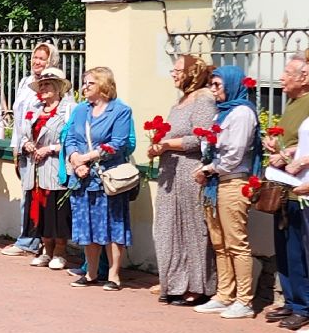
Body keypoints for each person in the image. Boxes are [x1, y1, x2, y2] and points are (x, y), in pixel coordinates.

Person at [145, 55, 217, 307]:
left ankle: (198, 286)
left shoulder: (204, 99)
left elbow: (203, 138)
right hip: (169, 173)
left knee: (193, 230)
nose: (173, 74)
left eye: (177, 70)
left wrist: (167, 144)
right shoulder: (180, 102)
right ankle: (173, 282)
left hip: (189, 171)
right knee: (166, 228)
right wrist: (157, 146)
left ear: (191, 73)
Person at [192, 65, 262, 318]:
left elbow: (234, 154)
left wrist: (208, 168)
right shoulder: (222, 112)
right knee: (219, 242)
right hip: (214, 183)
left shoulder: (242, 112)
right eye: (211, 84)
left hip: (233, 182)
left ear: (232, 85)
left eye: (217, 85)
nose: (212, 89)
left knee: (236, 243)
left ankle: (244, 300)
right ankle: (224, 294)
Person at [64, 67, 133, 290]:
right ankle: (91, 272)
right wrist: (76, 160)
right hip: (83, 177)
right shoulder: (81, 110)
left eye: (89, 83)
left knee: (113, 225)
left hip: (107, 177)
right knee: (87, 225)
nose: (84, 87)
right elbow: (71, 137)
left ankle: (114, 275)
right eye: (84, 83)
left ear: (103, 85)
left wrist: (87, 157)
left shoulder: (120, 110)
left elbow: (118, 143)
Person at [4, 41, 61, 259]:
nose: (36, 62)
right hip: (25, 146)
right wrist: (17, 147)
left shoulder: (54, 85)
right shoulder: (25, 82)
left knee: (41, 197)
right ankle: (28, 238)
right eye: (34, 57)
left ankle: (33, 240)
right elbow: (19, 118)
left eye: (42, 59)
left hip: (45, 150)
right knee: (28, 194)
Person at [263, 56, 309, 329]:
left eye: (287, 73)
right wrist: (276, 146)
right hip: (284, 184)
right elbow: (293, 142)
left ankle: (303, 305)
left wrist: (287, 154)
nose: (281, 77)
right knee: (283, 247)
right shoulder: (291, 103)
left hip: (299, 186)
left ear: (304, 78)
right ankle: (291, 301)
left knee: (297, 250)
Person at [18, 68, 74, 269]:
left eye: (47, 84)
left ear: (58, 88)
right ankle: (45, 248)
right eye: (41, 85)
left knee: (55, 212)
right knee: (38, 211)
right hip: (34, 170)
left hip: (54, 168)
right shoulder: (34, 110)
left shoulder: (68, 111)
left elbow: (72, 141)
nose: (43, 88)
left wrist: (49, 148)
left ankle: (59, 251)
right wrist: (27, 144)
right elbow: (24, 134)